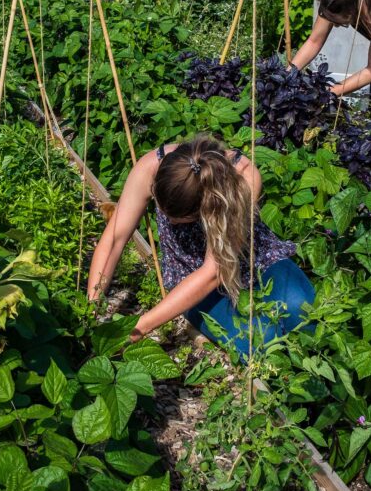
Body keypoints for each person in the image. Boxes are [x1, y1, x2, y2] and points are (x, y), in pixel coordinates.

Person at [87, 135, 315, 357]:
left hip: (255, 259)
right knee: (262, 340)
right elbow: (115, 239)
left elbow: (213, 271)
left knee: (304, 313)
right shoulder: (151, 166)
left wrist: (137, 329)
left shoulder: (244, 178)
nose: (169, 221)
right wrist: (91, 306)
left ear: (203, 210)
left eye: (179, 219)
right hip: (191, 276)